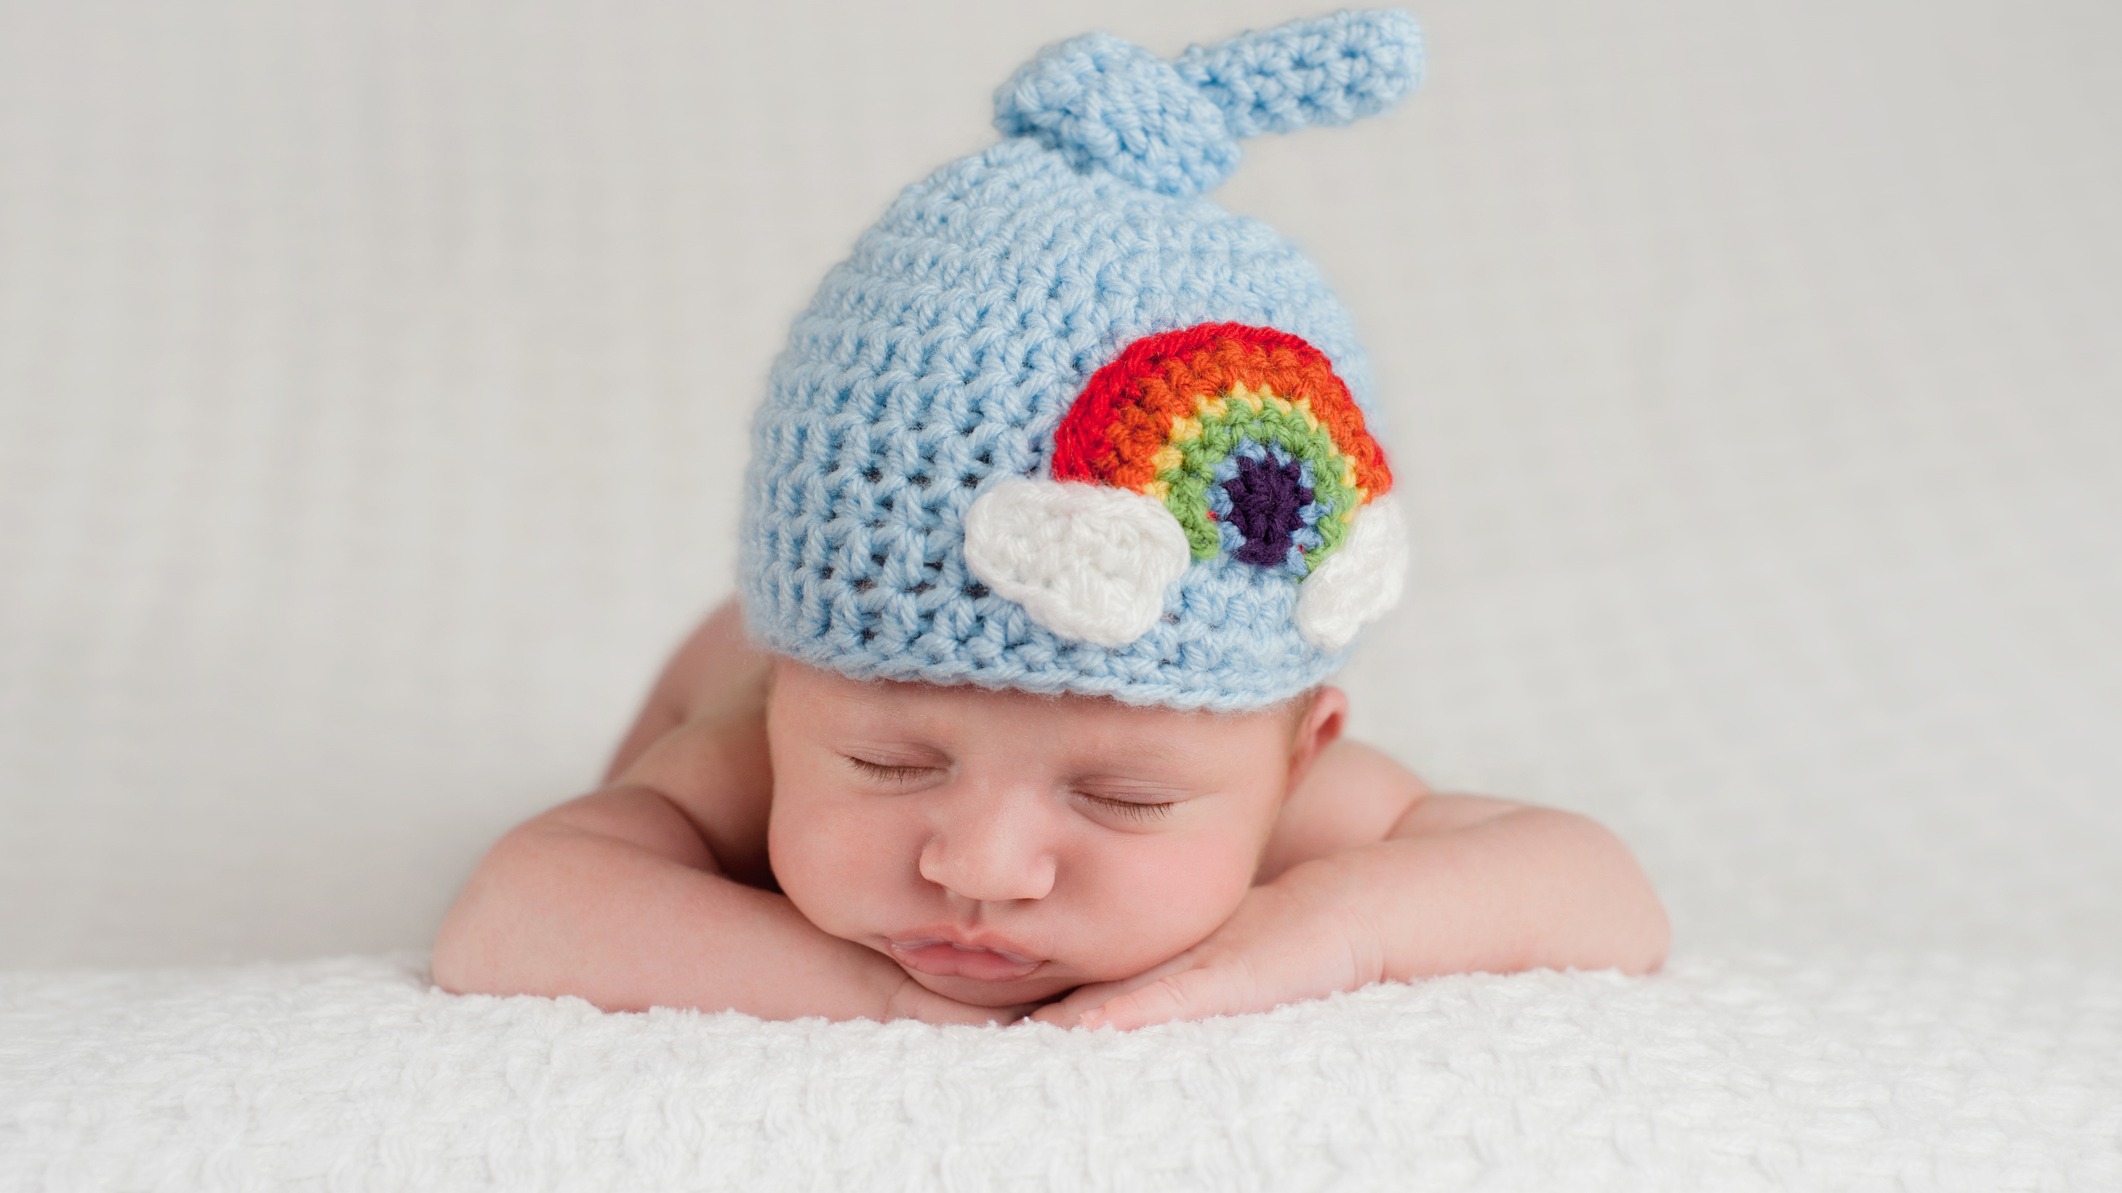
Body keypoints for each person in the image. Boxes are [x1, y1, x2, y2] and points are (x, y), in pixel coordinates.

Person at [431, 10, 1668, 1030]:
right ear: (789, 687)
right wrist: (874, 995)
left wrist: (1327, 929)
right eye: (887, 764)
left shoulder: (1303, 802)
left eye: (1123, 798)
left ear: (1301, 752)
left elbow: (1604, 893)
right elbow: (512, 911)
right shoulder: (750, 746)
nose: (979, 867)